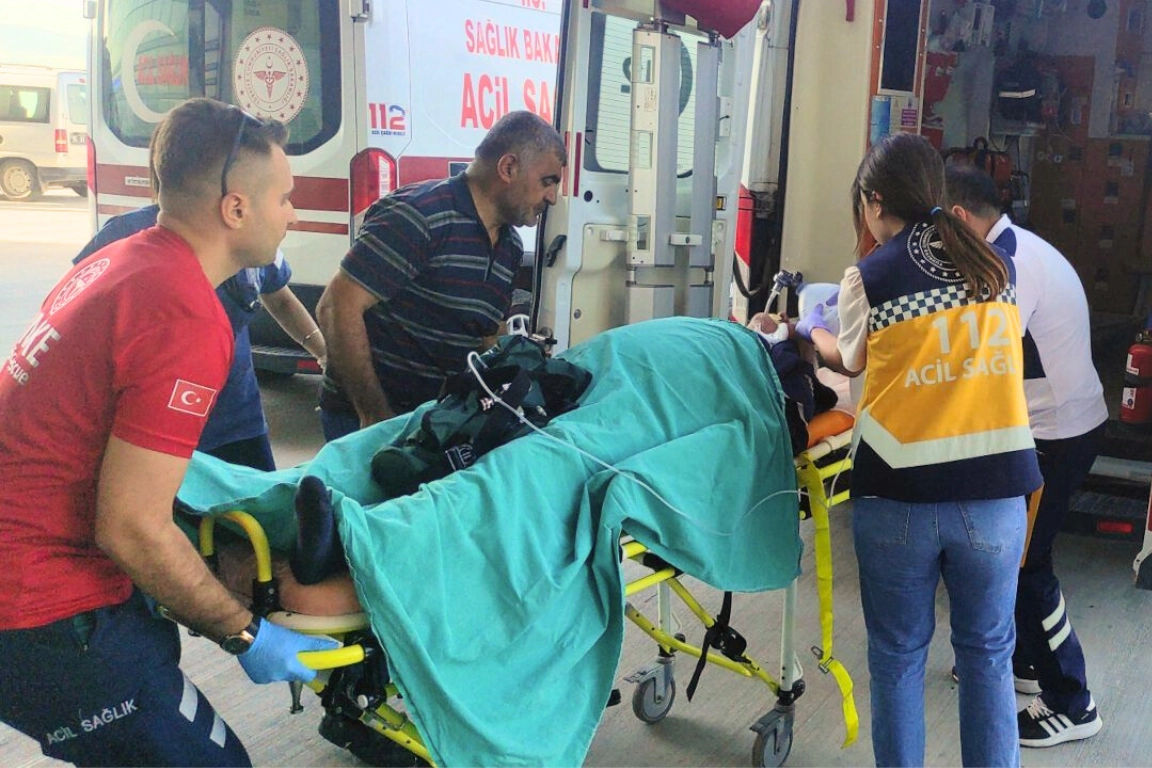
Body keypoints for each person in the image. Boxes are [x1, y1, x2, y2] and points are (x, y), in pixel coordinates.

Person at [0, 98, 337, 767]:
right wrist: (246, 634)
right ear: (235, 208)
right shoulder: (182, 311)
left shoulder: (121, 260)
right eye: (284, 198)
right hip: (40, 606)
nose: (293, 215)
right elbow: (130, 527)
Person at [798, 133, 1042, 767]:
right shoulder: (997, 267)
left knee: (899, 659)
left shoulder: (871, 274)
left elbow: (850, 359)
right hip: (995, 496)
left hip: (899, 494)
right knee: (988, 657)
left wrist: (810, 328)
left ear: (875, 201)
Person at [945, 165, 1106, 747]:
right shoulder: (1018, 246)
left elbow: (983, 358)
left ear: (958, 218)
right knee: (1014, 552)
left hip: (1054, 435)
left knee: (1025, 564)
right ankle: (1024, 660)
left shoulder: (1007, 264)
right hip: (1060, 424)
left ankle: (1072, 701)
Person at [316, 110, 566, 440]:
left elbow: (484, 335)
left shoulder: (510, 246)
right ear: (508, 168)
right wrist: (373, 415)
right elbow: (336, 306)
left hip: (435, 424)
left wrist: (517, 359)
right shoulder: (420, 216)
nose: (552, 197)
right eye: (548, 181)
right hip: (367, 423)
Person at [75, 202, 325, 471]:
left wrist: (324, 354)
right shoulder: (126, 233)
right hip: (156, 424)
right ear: (231, 199)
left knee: (256, 493)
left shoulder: (252, 237)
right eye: (282, 198)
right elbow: (82, 314)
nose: (292, 215)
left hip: (238, 418)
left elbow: (281, 300)